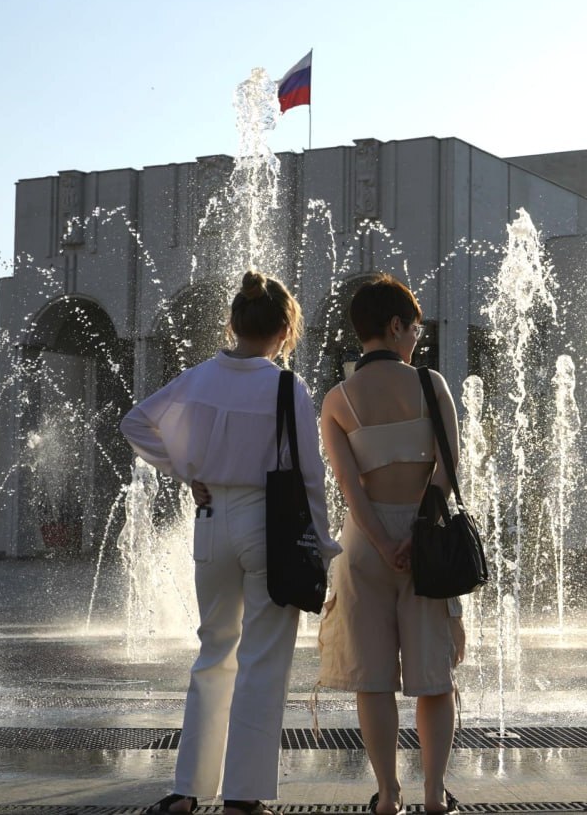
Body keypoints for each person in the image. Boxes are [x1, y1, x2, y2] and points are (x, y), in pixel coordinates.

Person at [122, 270, 340, 815]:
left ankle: (188, 788)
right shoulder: (287, 387)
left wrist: (183, 471)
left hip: (211, 516)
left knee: (213, 652)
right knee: (263, 660)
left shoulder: (198, 378)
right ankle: (245, 796)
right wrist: (324, 544)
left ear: (235, 323)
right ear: (286, 328)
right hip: (270, 526)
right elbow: (310, 474)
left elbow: (136, 422)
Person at [316, 273, 466, 815]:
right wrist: (413, 534)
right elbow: (448, 472)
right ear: (396, 325)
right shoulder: (431, 385)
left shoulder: (337, 398)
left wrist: (381, 541)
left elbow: (348, 486)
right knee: (433, 680)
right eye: (414, 328)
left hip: (363, 546)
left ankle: (388, 794)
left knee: (373, 679)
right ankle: (432, 794)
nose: (416, 339)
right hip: (426, 543)